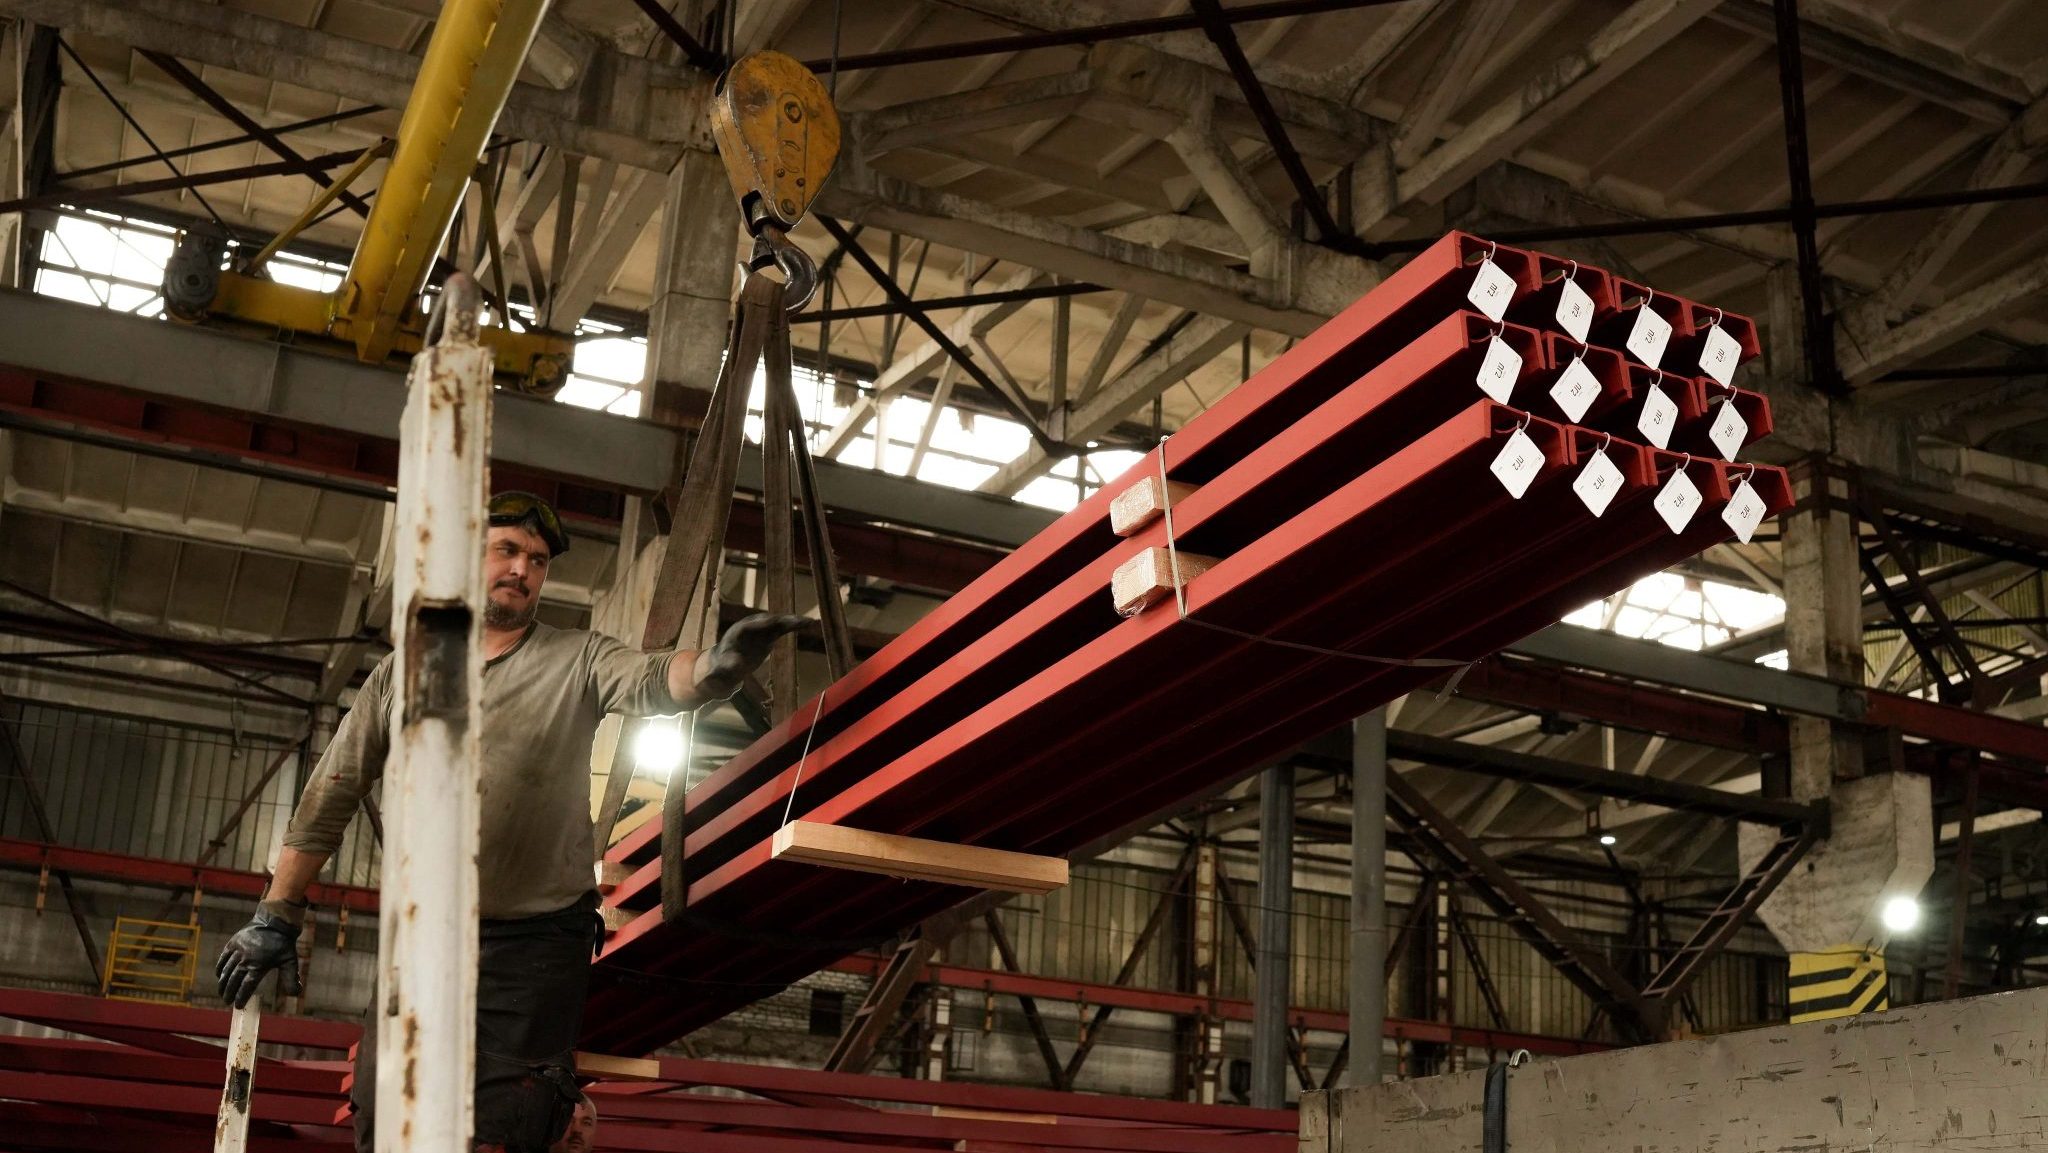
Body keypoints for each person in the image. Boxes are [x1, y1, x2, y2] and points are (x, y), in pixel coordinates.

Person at [214, 490, 804, 1152]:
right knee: (386, 1123)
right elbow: (333, 792)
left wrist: (717, 668)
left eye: (538, 560)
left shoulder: (579, 658)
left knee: (506, 1131)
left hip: (534, 946)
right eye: (508, 550)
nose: (523, 569)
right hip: (422, 940)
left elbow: (653, 679)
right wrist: (277, 913)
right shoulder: (407, 670)